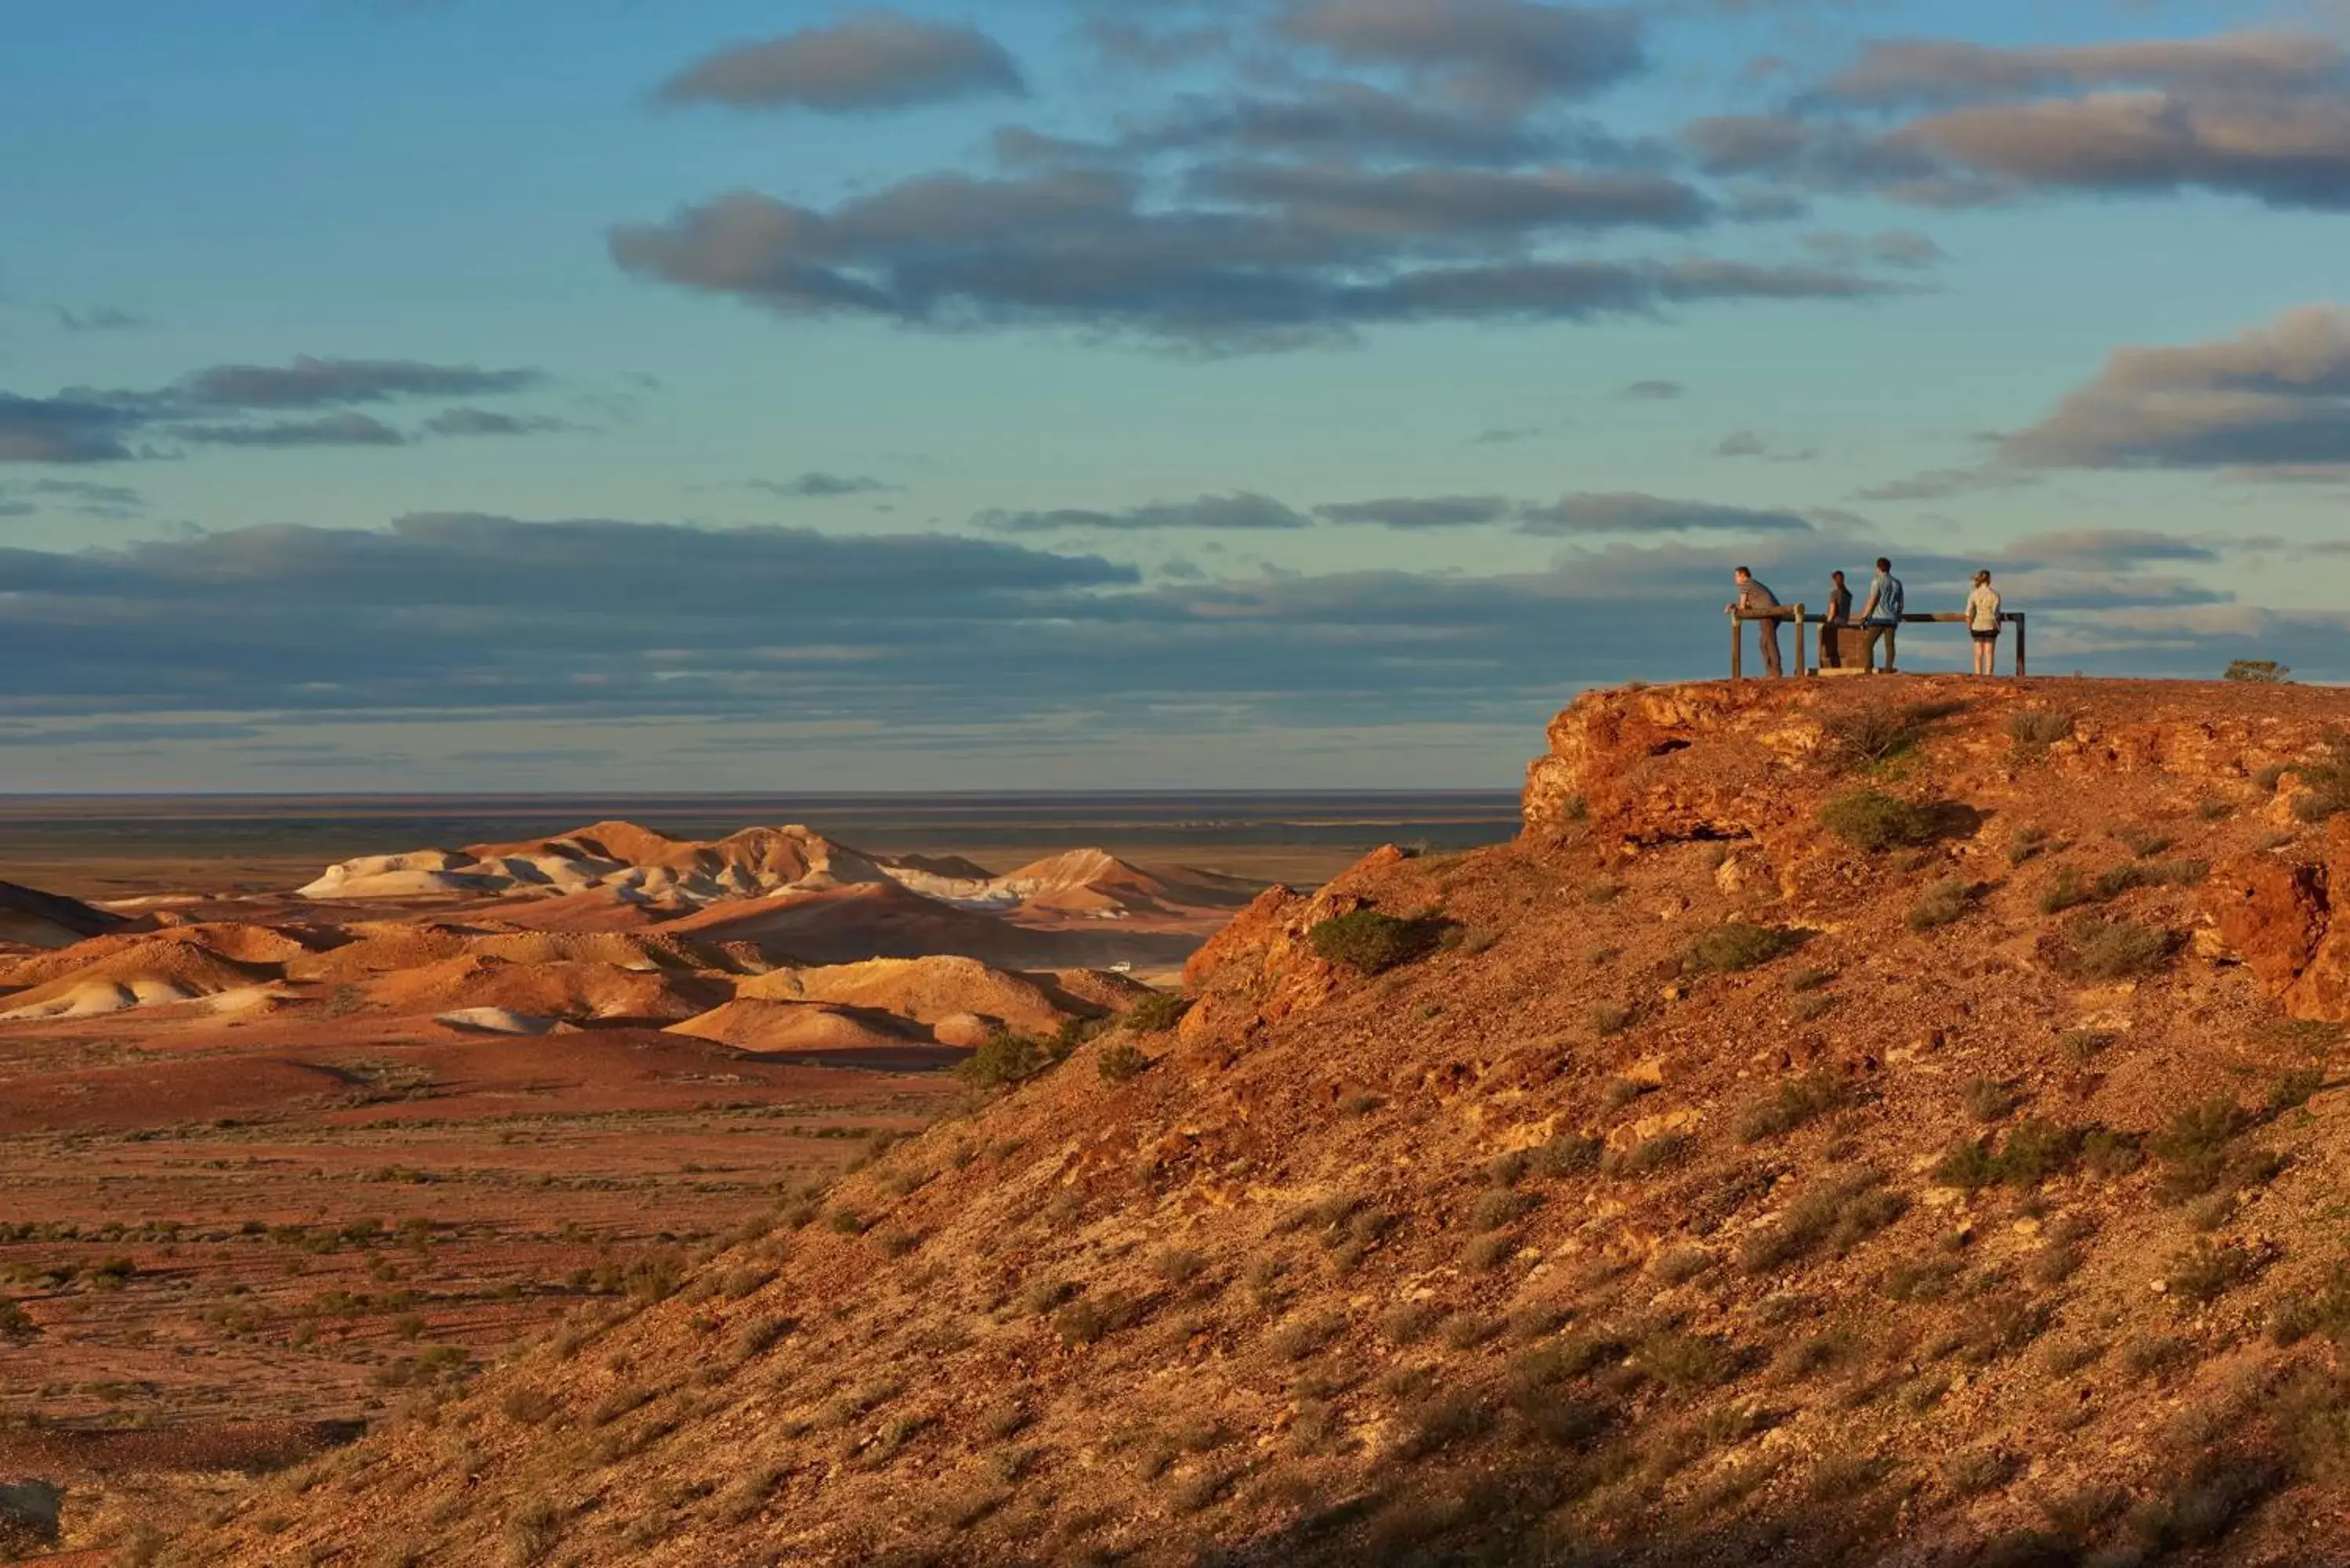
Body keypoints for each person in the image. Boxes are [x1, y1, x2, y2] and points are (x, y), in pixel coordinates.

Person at [1727, 566, 1783, 677]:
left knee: (1769, 643)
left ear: (1743, 576)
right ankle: (1771, 671)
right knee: (1764, 644)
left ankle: (1775, 672)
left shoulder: (1746, 585)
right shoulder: (1753, 585)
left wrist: (1734, 608)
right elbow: (1747, 605)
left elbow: (1742, 607)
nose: (1735, 579)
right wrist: (1735, 606)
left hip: (1767, 613)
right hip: (1773, 612)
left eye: (1737, 576)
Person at [1858, 556, 1904, 674]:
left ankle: (1868, 668)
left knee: (1868, 644)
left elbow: (1873, 599)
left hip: (1879, 617)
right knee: (1889, 646)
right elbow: (1901, 603)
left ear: (1878, 568)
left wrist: (1864, 616)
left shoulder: (1877, 581)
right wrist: (1897, 616)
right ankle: (1888, 669)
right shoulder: (1897, 583)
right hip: (1891, 618)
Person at [1966, 569, 2003, 676]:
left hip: (1977, 624)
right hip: (1990, 625)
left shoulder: (1974, 594)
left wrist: (1969, 626)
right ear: (1989, 579)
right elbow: (1996, 612)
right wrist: (1999, 626)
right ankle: (1988, 675)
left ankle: (1978, 675)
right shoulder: (1995, 594)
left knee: (1978, 653)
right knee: (1989, 652)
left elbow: (1969, 612)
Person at [1820, 569, 1853, 670]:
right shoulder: (1848, 594)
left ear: (1834, 580)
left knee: (1824, 636)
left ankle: (1830, 663)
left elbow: (1833, 611)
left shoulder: (1834, 593)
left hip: (1836, 622)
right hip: (1845, 621)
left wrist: (1827, 622)